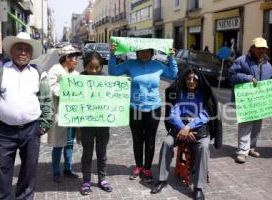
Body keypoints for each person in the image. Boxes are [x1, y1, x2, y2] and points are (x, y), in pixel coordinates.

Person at [0, 32, 53, 200]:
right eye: (18, 48)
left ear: (31, 54)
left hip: (31, 130)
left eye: (26, 49)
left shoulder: (38, 73)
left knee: (29, 171)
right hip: (4, 131)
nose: (22, 52)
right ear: (11, 52)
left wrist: (43, 126)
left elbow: (46, 102)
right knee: (2, 171)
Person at [108, 45, 178, 183]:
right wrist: (112, 55)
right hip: (135, 108)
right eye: (141, 51)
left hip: (153, 108)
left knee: (150, 139)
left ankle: (147, 168)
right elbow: (113, 71)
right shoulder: (130, 64)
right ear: (137, 52)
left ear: (152, 53)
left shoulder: (158, 65)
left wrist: (171, 57)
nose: (144, 54)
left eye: (148, 51)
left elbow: (173, 74)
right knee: (137, 138)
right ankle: (139, 166)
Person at [150, 67, 222, 200]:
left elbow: (205, 115)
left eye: (194, 79)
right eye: (188, 79)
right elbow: (173, 114)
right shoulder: (179, 93)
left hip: (199, 130)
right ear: (185, 80)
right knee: (167, 143)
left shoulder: (204, 94)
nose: (191, 81)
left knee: (204, 147)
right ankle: (162, 179)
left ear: (198, 81)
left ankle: (199, 187)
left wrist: (188, 127)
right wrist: (183, 128)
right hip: (179, 128)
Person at [229, 37, 272, 164]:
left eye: (263, 48)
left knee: (257, 124)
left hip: (260, 100)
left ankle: (251, 147)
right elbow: (231, 76)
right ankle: (242, 151)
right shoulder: (242, 61)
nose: (261, 50)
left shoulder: (268, 64)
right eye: (259, 48)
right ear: (252, 47)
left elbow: (270, 79)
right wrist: (248, 77)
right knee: (246, 123)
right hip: (246, 99)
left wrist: (269, 94)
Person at [79, 51, 112, 195]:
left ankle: (102, 178)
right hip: (86, 124)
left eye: (97, 67)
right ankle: (86, 180)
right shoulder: (79, 79)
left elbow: (114, 96)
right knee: (87, 153)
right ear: (85, 66)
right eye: (90, 67)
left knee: (102, 152)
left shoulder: (105, 78)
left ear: (101, 67)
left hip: (103, 123)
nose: (93, 71)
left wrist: (123, 85)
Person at [47, 45, 81, 183]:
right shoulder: (55, 70)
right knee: (58, 144)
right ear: (67, 58)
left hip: (72, 114)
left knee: (69, 143)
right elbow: (50, 86)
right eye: (74, 58)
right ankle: (56, 170)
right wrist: (66, 91)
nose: (77, 61)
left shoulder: (76, 74)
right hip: (59, 113)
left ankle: (68, 168)